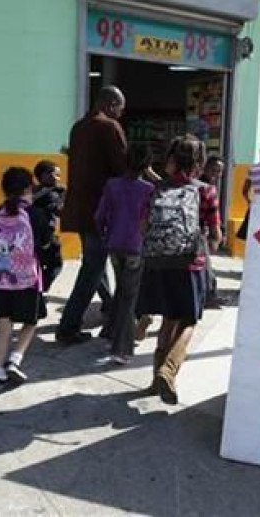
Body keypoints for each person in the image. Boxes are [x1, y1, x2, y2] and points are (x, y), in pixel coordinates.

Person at [137, 135, 222, 405]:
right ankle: (169, 370)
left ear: (171, 159)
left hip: (158, 263)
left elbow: (142, 228)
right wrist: (210, 246)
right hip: (189, 263)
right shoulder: (205, 191)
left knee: (168, 319)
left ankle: (155, 381)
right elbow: (216, 234)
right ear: (198, 162)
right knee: (188, 320)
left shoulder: (155, 189)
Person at [57, 86, 127, 344]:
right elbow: (123, 169)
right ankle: (68, 326)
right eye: (120, 107)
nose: (121, 113)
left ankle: (109, 305)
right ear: (110, 104)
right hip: (101, 210)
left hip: (79, 208)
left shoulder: (78, 127)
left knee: (94, 262)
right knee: (93, 268)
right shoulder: (110, 128)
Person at [0, 167, 52, 391]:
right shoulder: (34, 214)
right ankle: (15, 359)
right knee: (32, 320)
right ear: (28, 188)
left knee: (4, 326)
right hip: (27, 280)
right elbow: (46, 243)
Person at [94, 144, 155, 365]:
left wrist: (103, 234)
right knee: (129, 296)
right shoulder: (149, 189)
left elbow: (100, 214)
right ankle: (123, 347)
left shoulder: (112, 185)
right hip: (136, 246)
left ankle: (111, 333)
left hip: (114, 244)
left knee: (122, 290)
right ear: (147, 165)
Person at [32, 160, 65, 291]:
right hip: (47, 236)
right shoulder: (52, 194)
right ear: (43, 175)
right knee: (56, 264)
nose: (58, 178)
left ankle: (37, 288)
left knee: (37, 264)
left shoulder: (32, 191)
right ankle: (41, 288)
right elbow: (58, 211)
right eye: (55, 174)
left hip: (32, 236)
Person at [198, 155, 226, 309]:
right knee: (205, 265)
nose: (217, 174)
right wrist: (215, 234)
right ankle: (209, 296)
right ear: (206, 167)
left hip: (205, 230)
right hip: (200, 230)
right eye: (214, 170)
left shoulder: (211, 185)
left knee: (206, 265)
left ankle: (210, 295)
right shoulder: (204, 186)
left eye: (220, 171)